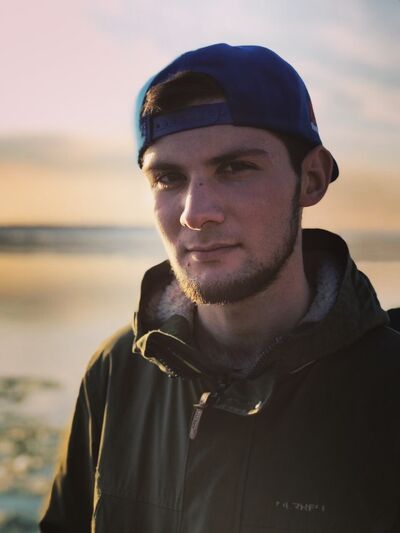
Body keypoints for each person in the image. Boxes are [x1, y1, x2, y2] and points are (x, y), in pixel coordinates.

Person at [39, 43, 400, 533]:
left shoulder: (386, 388)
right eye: (168, 178)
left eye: (234, 168)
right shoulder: (117, 369)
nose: (195, 212)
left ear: (311, 178)